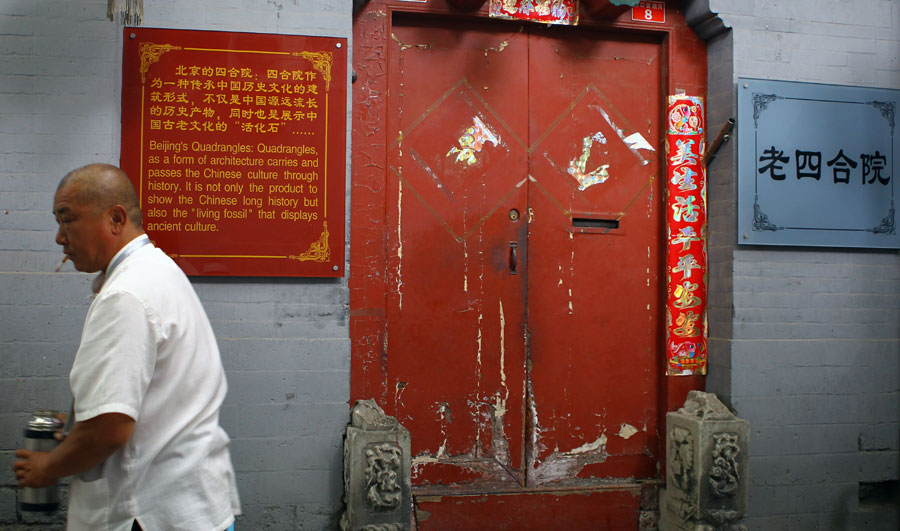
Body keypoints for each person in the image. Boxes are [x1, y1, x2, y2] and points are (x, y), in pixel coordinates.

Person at [13, 163, 240, 531]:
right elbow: (148, 399)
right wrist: (75, 423)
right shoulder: (159, 270)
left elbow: (110, 429)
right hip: (192, 507)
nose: (59, 237)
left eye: (67, 219)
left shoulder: (126, 295)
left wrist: (46, 468)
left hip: (149, 514)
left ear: (116, 218)